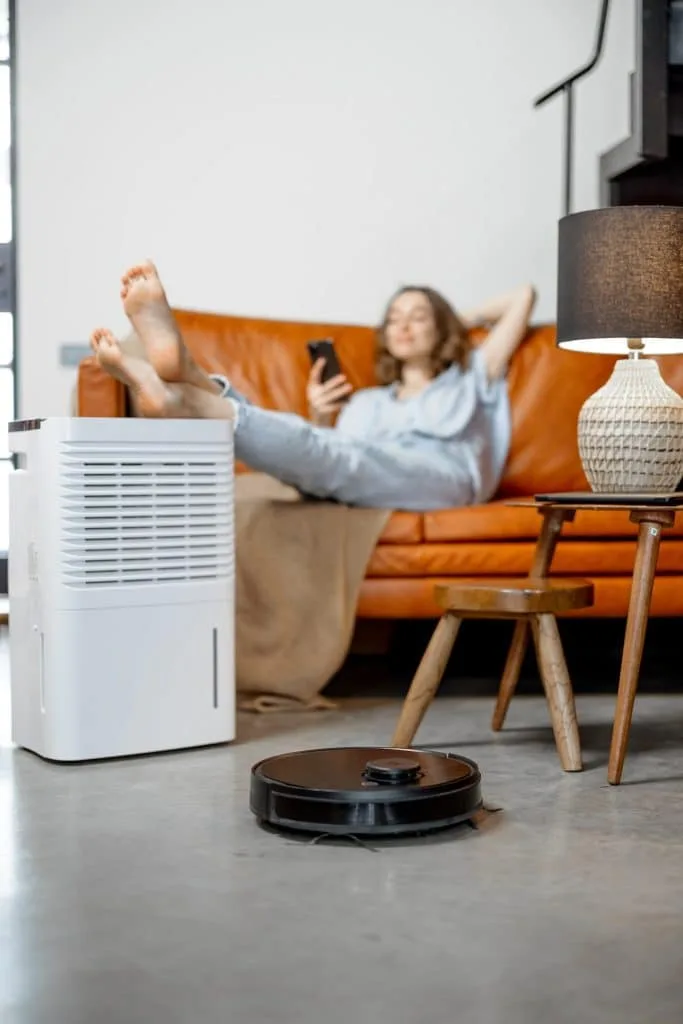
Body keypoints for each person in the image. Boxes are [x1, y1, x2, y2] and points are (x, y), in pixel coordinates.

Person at [90, 262, 536, 511]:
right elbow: (331, 456)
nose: (404, 325)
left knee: (344, 457)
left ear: (441, 328)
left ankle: (194, 388)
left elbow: (524, 295)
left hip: (442, 478)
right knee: (329, 451)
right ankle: (186, 388)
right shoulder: (368, 402)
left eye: (419, 317)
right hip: (360, 470)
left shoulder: (472, 375)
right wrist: (320, 414)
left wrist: (459, 323)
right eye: (395, 318)